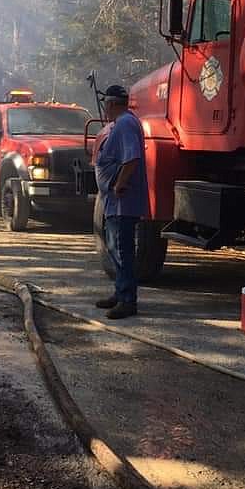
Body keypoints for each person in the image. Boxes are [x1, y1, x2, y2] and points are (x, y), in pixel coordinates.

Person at [94, 84, 149, 319]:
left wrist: (119, 184)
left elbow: (132, 158)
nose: (105, 110)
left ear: (113, 104)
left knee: (122, 250)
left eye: (107, 105)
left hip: (122, 200)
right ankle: (120, 292)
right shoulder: (123, 122)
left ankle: (128, 300)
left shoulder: (125, 123)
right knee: (115, 247)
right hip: (115, 202)